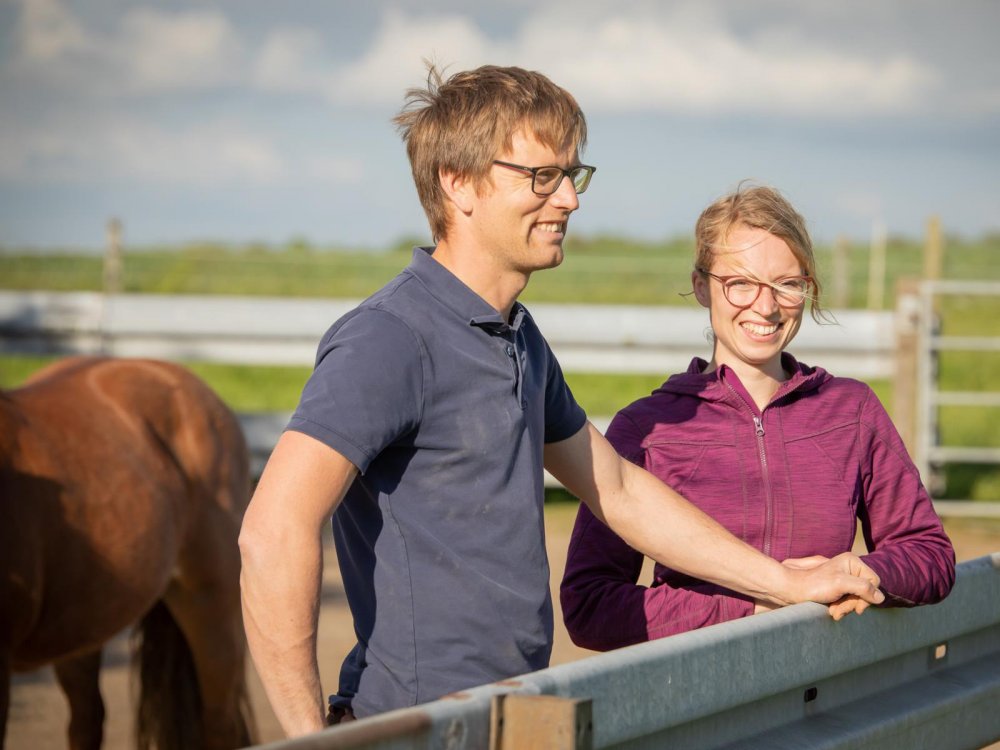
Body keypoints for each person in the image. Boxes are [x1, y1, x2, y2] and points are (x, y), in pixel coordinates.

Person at [238, 67, 885, 738]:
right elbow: (271, 532)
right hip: (415, 728)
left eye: (574, 175)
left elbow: (620, 491)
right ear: (458, 183)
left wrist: (780, 585)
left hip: (513, 719)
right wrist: (310, 737)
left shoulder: (518, 337)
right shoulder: (390, 339)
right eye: (541, 177)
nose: (570, 200)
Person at [560, 185, 956, 652]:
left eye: (788, 284)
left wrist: (862, 574)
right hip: (700, 701)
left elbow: (930, 553)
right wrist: (752, 609)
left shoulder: (852, 411)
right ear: (703, 286)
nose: (765, 308)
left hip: (825, 693)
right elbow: (590, 606)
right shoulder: (647, 429)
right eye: (741, 284)